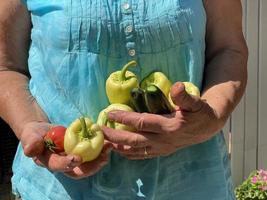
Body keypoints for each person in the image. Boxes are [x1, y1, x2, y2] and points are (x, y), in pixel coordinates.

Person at [0, 0, 248, 199]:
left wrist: (210, 116)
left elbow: (228, 48)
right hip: (61, 190)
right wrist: (30, 125)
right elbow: (5, 67)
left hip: (192, 183)